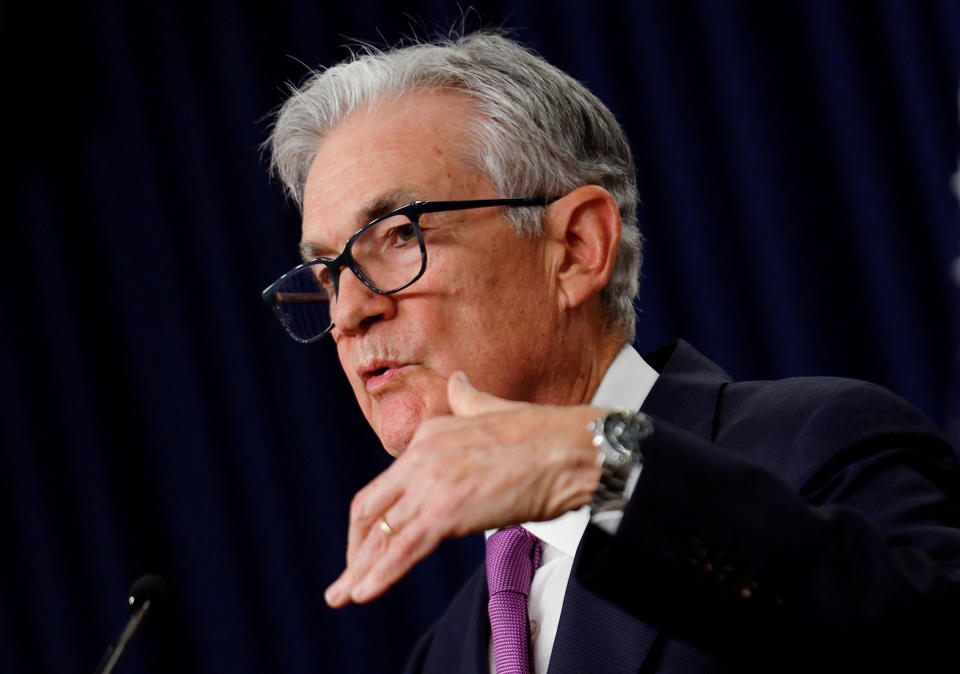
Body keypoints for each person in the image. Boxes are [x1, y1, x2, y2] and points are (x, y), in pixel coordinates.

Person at [261, 31, 960, 672]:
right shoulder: (442, 655)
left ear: (574, 249)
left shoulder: (817, 445)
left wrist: (599, 468)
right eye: (327, 273)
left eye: (400, 236)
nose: (348, 312)